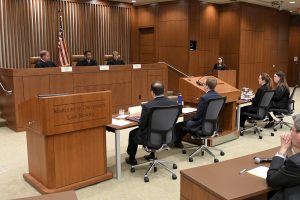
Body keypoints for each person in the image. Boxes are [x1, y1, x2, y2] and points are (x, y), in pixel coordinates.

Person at [125, 81, 177, 165]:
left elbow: (141, 126)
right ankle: (152, 156)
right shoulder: (174, 104)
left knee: (133, 133)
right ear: (164, 90)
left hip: (151, 137)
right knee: (155, 128)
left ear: (152, 92)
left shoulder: (148, 106)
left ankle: (132, 159)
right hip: (168, 135)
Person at [173, 77, 221, 148]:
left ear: (207, 86)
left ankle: (176, 143)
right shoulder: (219, 97)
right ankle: (177, 142)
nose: (203, 85)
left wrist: (191, 117)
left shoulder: (204, 98)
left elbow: (197, 116)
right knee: (186, 123)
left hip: (201, 125)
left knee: (179, 125)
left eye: (204, 84)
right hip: (213, 125)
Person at [266, 114, 300, 200]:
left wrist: (282, 150)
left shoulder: (295, 164)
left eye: (292, 129)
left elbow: (272, 180)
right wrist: (289, 150)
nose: (290, 132)